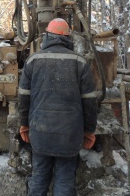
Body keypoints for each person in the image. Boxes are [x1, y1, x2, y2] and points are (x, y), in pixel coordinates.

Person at [18, 18, 98, 196]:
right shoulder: (80, 62)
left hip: (40, 132)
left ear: (47, 36)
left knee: (38, 179)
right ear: (68, 38)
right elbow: (90, 102)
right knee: (65, 181)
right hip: (69, 136)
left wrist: (24, 123)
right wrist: (89, 130)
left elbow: (23, 97)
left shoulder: (33, 61)